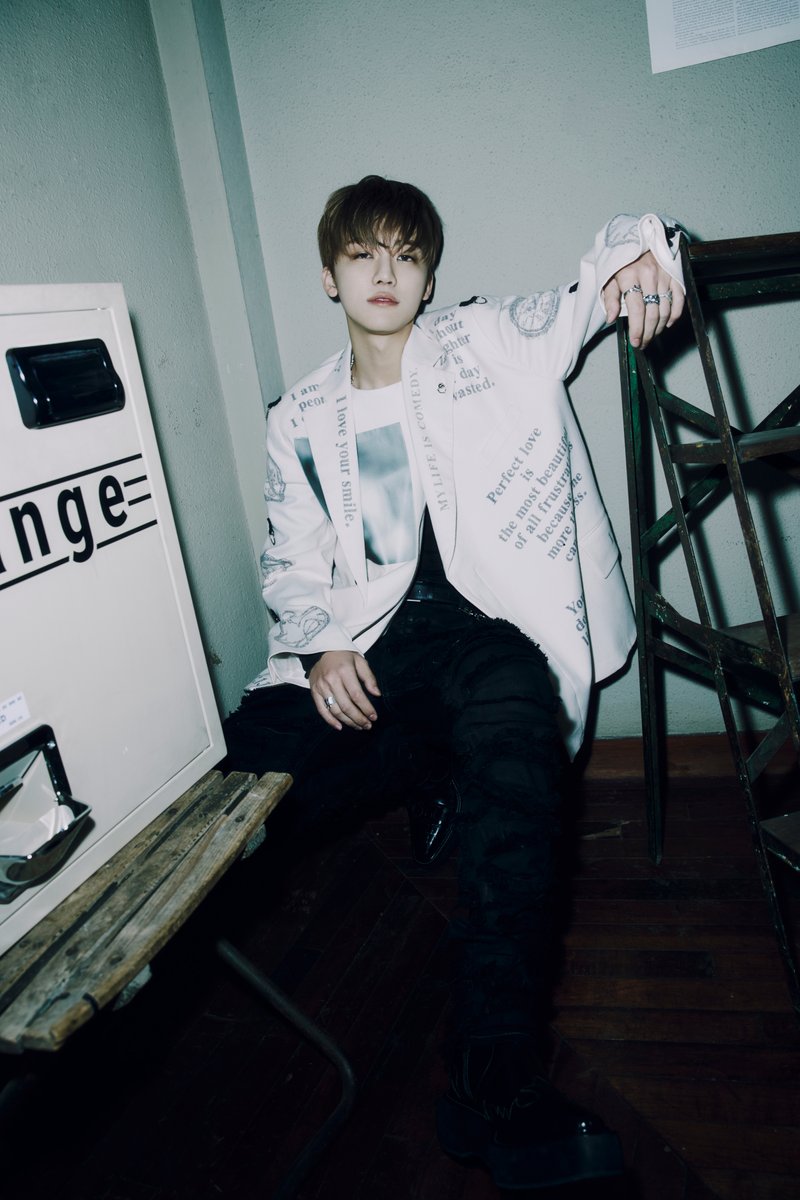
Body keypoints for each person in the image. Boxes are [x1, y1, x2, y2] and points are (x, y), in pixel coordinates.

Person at [223, 175, 684, 1190]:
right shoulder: (299, 416)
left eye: (406, 254)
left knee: (512, 713)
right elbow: (290, 563)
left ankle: (493, 1070)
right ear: (329, 276)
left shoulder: (487, 342)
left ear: (429, 278)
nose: (385, 273)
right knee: (240, 768)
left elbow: (592, 282)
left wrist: (641, 251)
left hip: (487, 634)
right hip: (370, 644)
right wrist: (319, 646)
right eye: (363, 254)